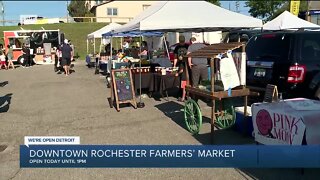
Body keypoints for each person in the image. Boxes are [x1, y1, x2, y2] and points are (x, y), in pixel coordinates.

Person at [173, 35, 189, 102]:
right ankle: (181, 94)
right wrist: (174, 66)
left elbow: (190, 55)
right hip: (180, 64)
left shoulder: (187, 46)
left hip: (186, 64)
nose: (182, 43)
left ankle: (185, 95)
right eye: (181, 42)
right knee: (181, 80)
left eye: (182, 42)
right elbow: (175, 57)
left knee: (185, 80)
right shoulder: (177, 47)